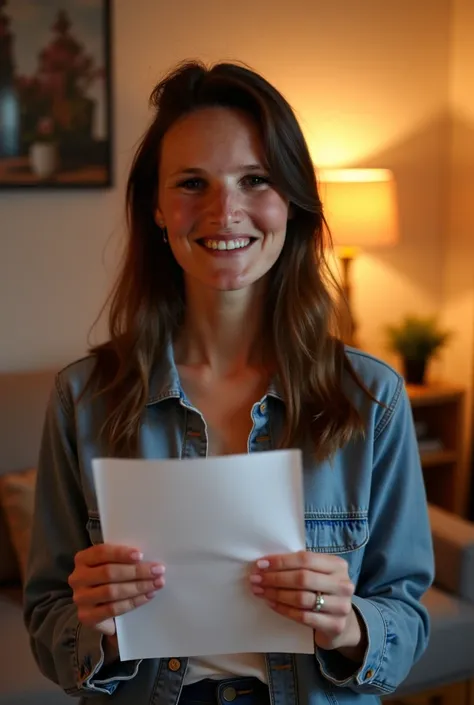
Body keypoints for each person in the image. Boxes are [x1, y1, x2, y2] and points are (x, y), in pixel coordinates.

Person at [24, 60, 434, 705]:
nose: (225, 210)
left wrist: (349, 626)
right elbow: (48, 619)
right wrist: (90, 623)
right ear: (156, 208)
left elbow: (406, 621)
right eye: (193, 182)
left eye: (255, 180)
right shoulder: (83, 397)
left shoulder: (371, 397)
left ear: (293, 200)